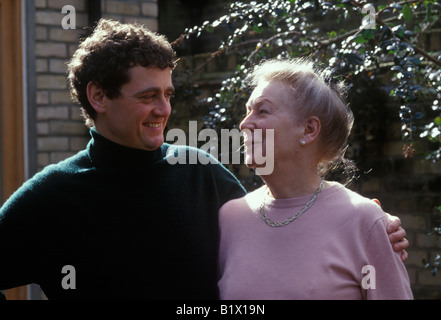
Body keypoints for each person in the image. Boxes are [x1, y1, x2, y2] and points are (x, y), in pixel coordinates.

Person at [0, 19, 406, 299]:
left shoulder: (197, 171)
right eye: (147, 96)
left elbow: (283, 216)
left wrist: (368, 226)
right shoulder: (53, 194)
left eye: (168, 94)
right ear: (99, 97)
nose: (164, 109)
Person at [217, 58, 413, 299]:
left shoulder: (366, 222)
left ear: (308, 130)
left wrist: (374, 230)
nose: (244, 124)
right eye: (247, 111)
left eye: (262, 111)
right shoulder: (230, 219)